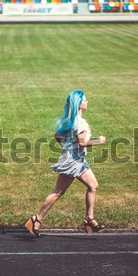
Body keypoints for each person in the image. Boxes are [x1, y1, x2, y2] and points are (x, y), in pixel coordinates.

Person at [25, 90, 107, 237]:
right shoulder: (79, 122)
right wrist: (98, 141)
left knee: (93, 185)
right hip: (73, 162)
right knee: (58, 192)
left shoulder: (71, 120)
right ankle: (37, 218)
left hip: (78, 160)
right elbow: (82, 143)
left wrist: (67, 146)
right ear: (79, 105)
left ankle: (89, 219)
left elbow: (57, 136)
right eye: (85, 100)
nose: (87, 102)